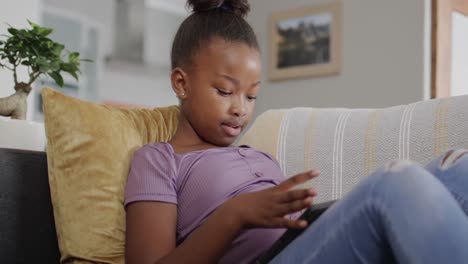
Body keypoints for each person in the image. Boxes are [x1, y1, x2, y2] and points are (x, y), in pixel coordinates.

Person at [124, 0, 468, 263]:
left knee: (457, 170)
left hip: (309, 238)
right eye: (225, 91)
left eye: (252, 95)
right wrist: (234, 215)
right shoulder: (159, 160)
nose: (240, 108)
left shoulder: (253, 154)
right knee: (395, 183)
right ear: (181, 83)